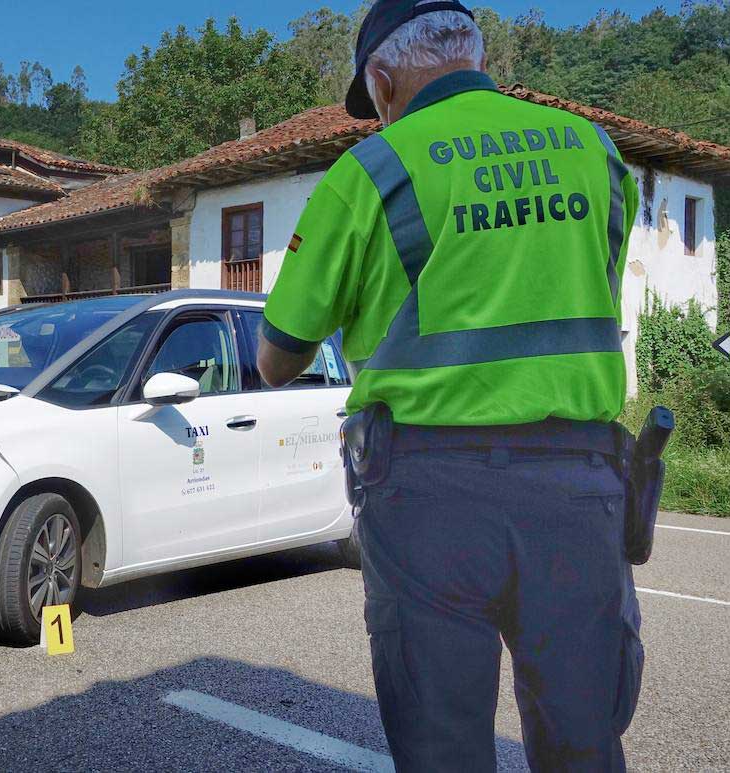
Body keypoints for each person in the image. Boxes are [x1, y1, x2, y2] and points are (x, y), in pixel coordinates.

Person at [255, 2, 642, 770]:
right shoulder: (594, 152)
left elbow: (277, 357)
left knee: (442, 749)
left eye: (376, 100)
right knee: (583, 744)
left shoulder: (372, 170)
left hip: (428, 498)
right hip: (579, 484)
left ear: (382, 79)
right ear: (476, 55)